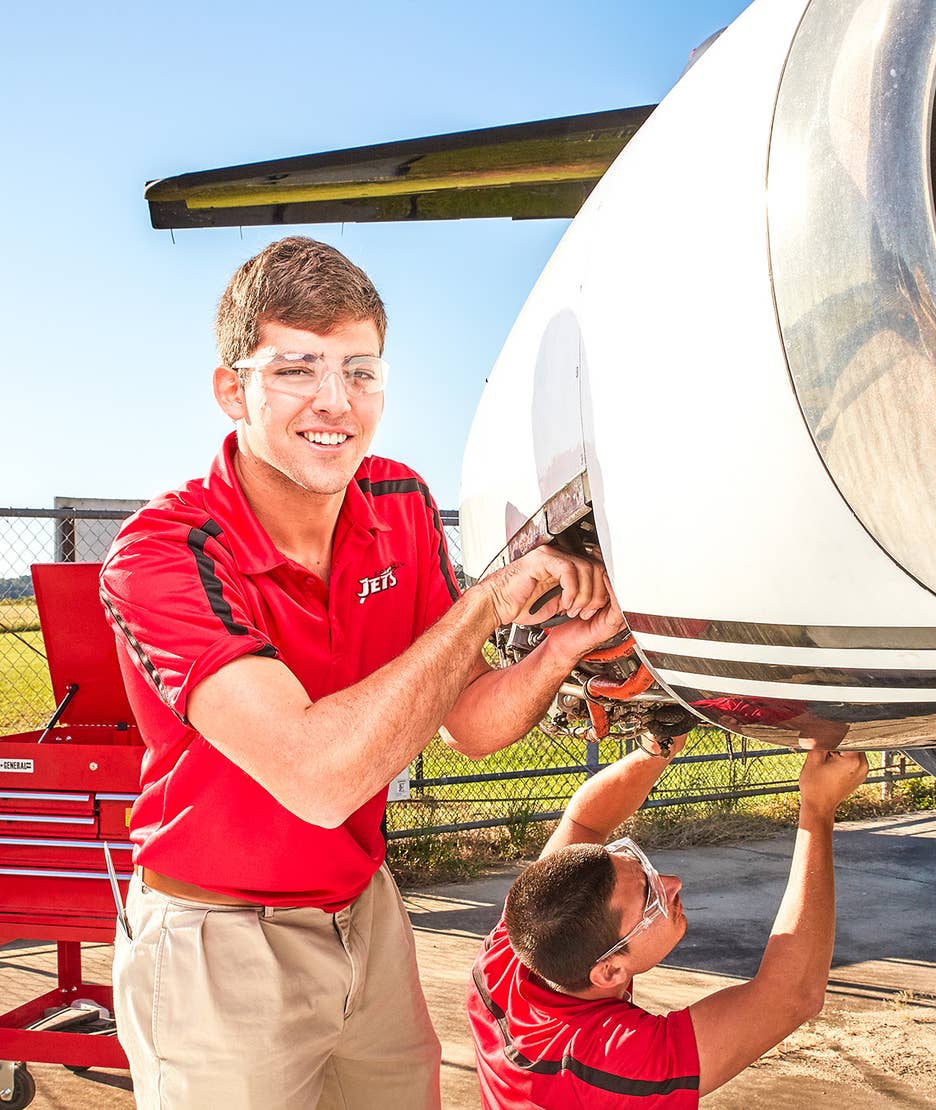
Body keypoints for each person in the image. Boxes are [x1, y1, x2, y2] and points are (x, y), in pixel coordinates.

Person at [99, 236, 624, 1110]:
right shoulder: (166, 551)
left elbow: (470, 724)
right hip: (219, 939)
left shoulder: (400, 501)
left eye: (362, 371)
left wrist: (563, 649)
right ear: (235, 389)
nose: (336, 403)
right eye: (298, 370)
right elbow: (319, 777)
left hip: (364, 912)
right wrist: (484, 606)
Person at [468, 729, 869, 1108]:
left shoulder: (512, 950)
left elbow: (585, 823)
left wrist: (657, 748)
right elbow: (789, 995)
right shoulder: (613, 1062)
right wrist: (817, 810)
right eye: (652, 901)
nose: (674, 883)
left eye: (646, 872)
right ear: (609, 972)